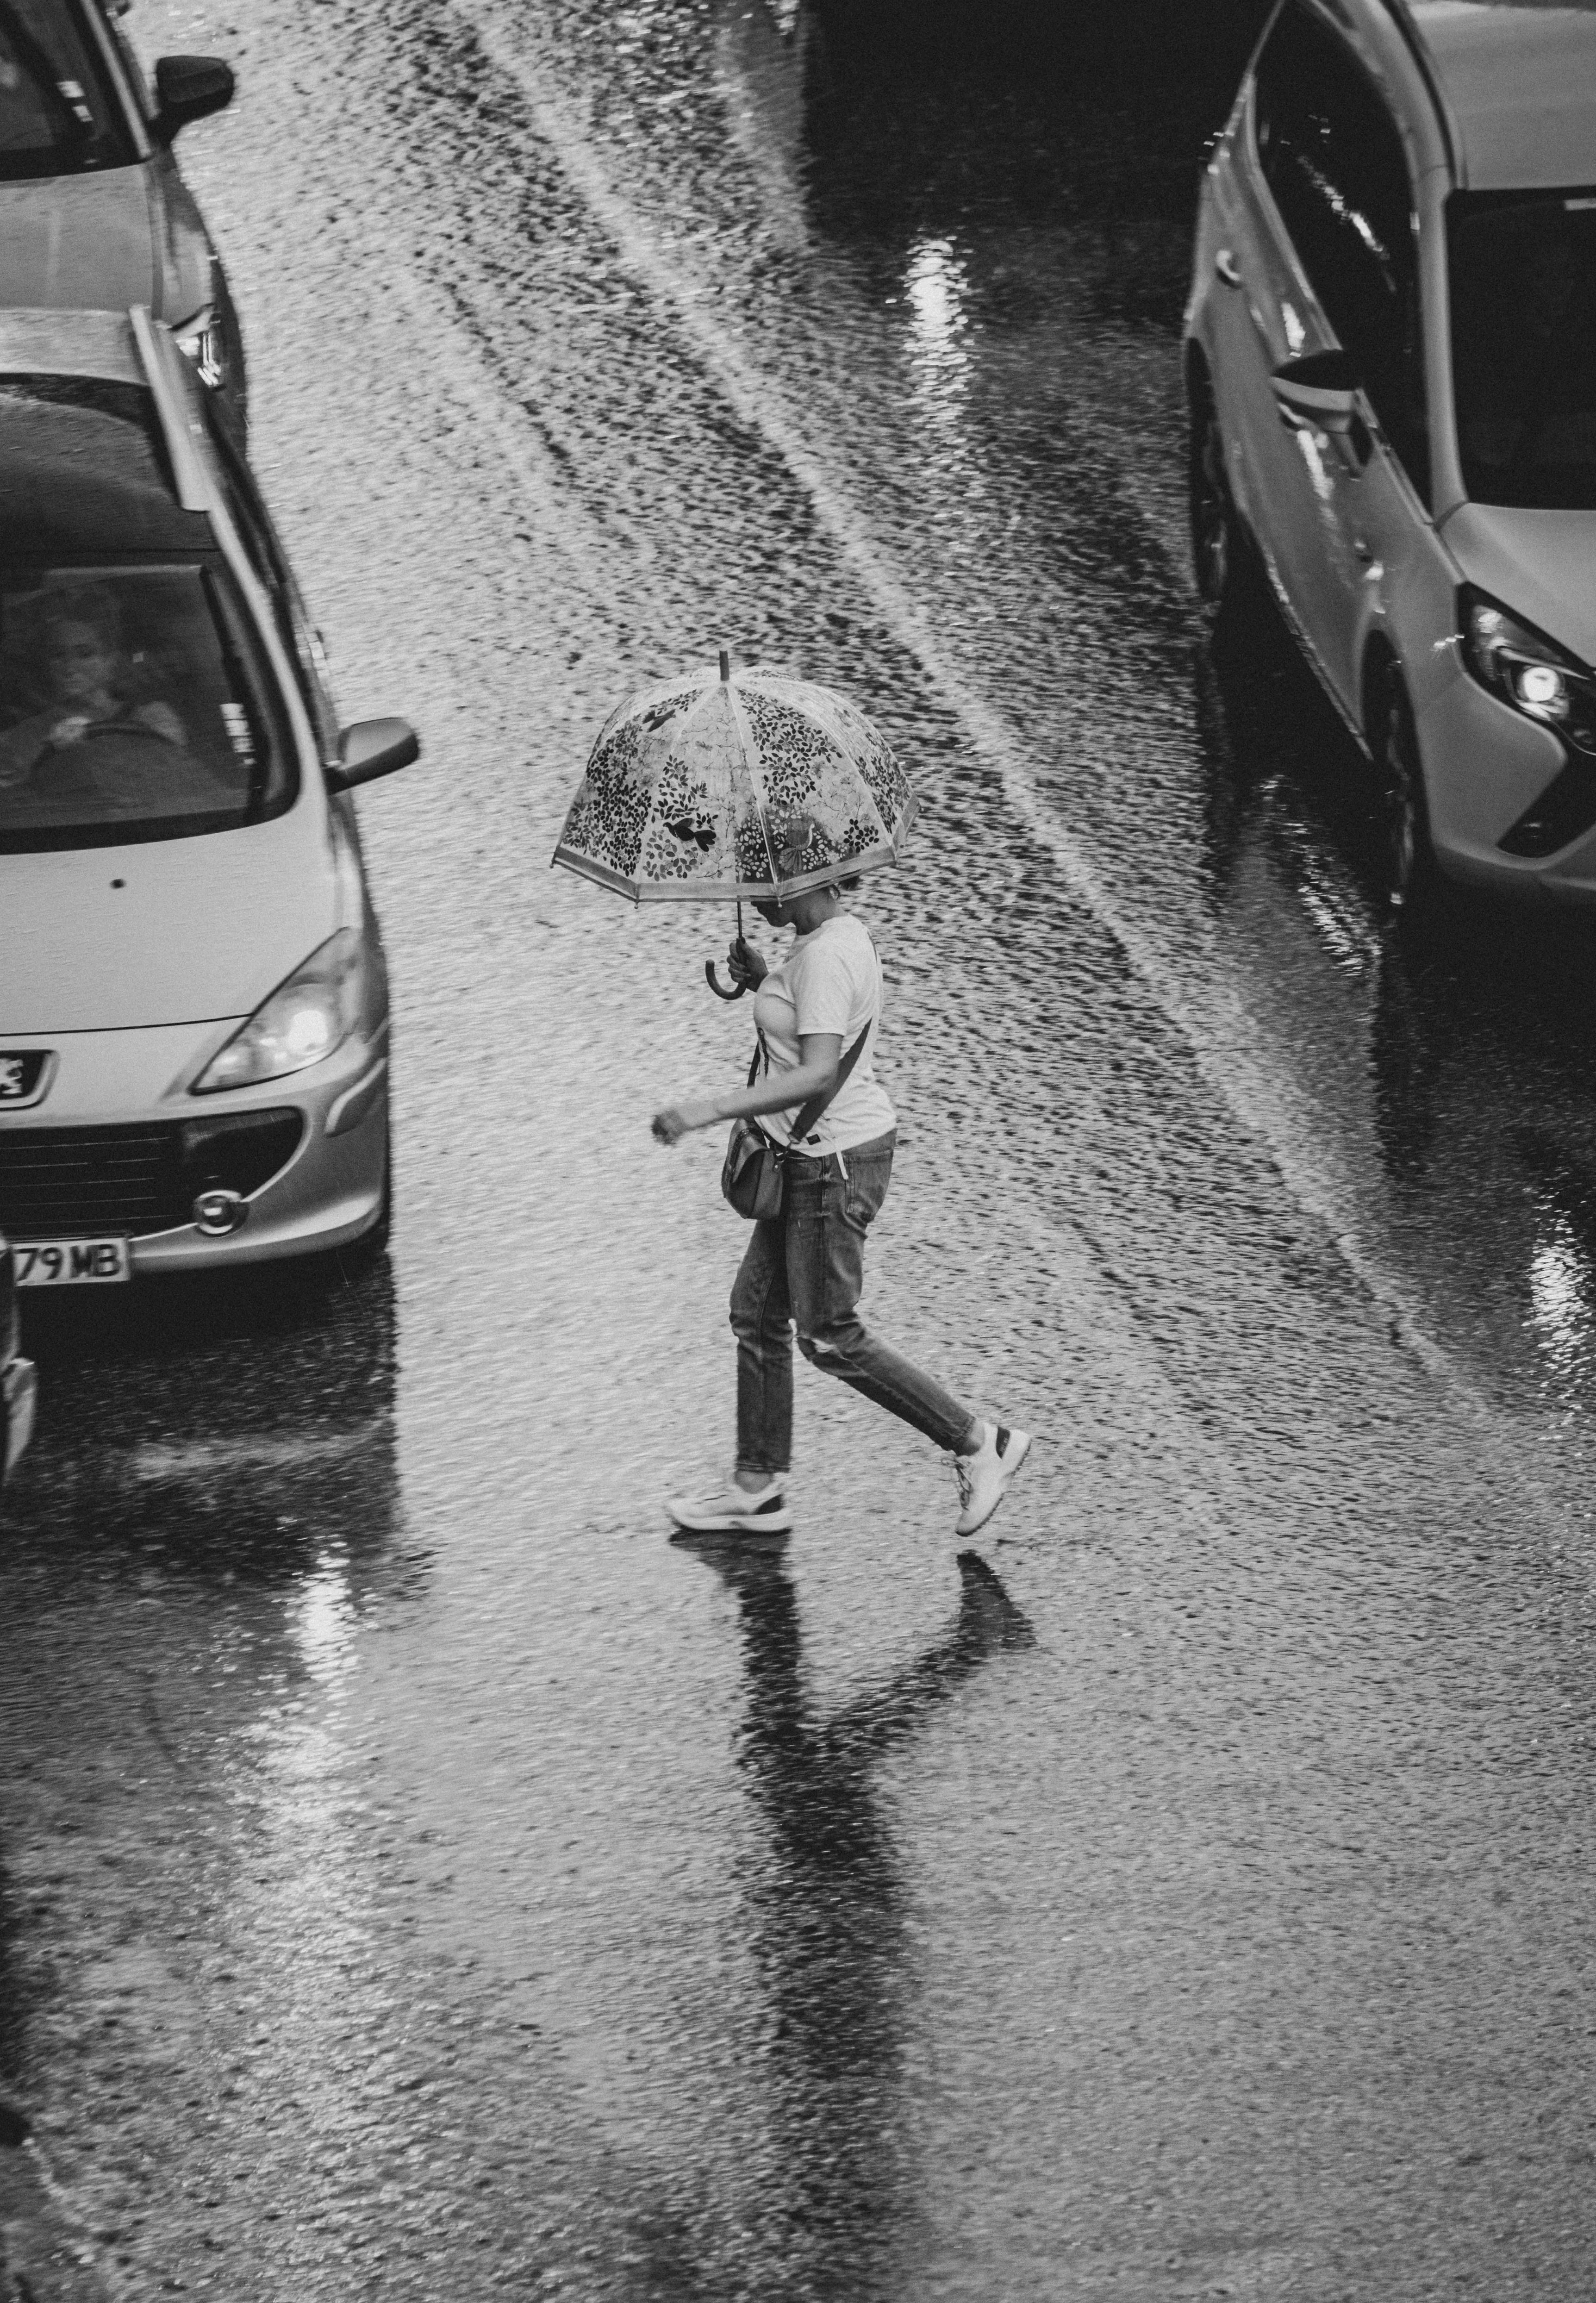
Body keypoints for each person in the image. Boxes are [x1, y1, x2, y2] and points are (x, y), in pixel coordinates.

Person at [651, 880, 1030, 1540]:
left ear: (799, 877)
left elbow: (818, 1071)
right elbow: (814, 1031)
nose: (751, 887)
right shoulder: (827, 942)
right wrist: (769, 980)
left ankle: (978, 1441)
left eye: (761, 875)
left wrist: (705, 1110)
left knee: (828, 1332)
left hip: (832, 1166)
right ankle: (757, 1488)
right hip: (813, 1155)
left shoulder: (826, 956)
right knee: (758, 1311)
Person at [0, 594, 185, 796]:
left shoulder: (152, 717)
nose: (69, 668)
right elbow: (13, 799)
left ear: (110, 660)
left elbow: (173, 779)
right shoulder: (28, 733)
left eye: (85, 654)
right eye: (58, 655)